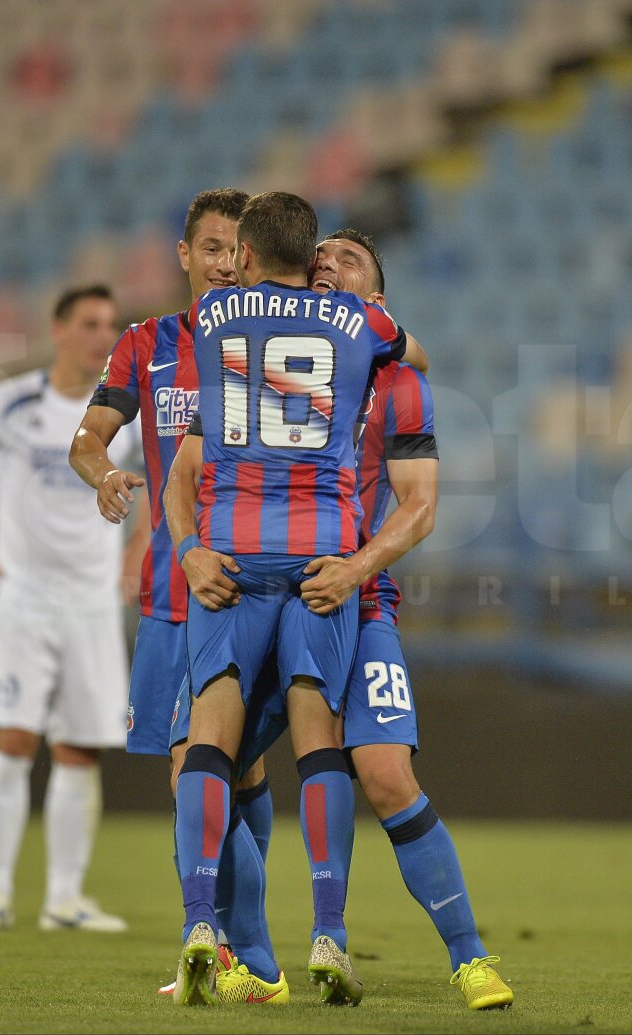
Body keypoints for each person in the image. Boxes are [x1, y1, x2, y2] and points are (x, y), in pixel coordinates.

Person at [163, 192, 406, 1007]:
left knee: (211, 735)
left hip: (230, 547)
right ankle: (329, 932)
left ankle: (202, 922)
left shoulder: (213, 312)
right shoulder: (362, 328)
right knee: (317, 737)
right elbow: (416, 358)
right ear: (311, 261)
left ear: (247, 254)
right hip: (320, 555)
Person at [69, 189, 288, 1005]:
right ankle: (235, 949)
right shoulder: (147, 345)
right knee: (229, 771)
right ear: (184, 254)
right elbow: (86, 438)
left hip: (245, 584)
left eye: (238, 249)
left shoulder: (280, 341)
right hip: (170, 583)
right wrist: (105, 477)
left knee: (202, 770)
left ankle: (235, 949)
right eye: (211, 247)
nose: (225, 261)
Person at [304, 230, 514, 1010]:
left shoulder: (399, 386)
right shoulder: (253, 373)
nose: (328, 263)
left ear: (379, 303)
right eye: (318, 256)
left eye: (348, 259)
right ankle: (236, 950)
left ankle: (470, 957)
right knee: (226, 766)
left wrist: (355, 569)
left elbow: (421, 507)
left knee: (386, 773)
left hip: (356, 599)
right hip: (259, 595)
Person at [0, 284, 142, 933]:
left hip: (94, 601)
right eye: (91, 322)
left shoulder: (121, 414)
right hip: (23, 598)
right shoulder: (10, 402)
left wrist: (139, 551)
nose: (104, 335)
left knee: (80, 748)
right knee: (12, 738)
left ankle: (64, 900)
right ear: (60, 329)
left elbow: (168, 476)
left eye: (111, 324)